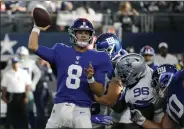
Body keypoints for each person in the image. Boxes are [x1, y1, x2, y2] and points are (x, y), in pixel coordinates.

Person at [28, 18, 113, 128]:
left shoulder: (99, 57)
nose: (83, 35)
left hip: (81, 110)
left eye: (86, 33)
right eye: (80, 32)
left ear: (91, 35)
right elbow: (33, 46)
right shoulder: (61, 50)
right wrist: (36, 28)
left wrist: (90, 78)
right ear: (73, 33)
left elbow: (100, 92)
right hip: (60, 108)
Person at [95, 53, 155, 129]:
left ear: (133, 75)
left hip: (149, 110)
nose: (119, 79)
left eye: (122, 76)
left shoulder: (139, 94)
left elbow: (122, 110)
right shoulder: (140, 66)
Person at [91, 33, 127, 129]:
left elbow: (114, 103)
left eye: (100, 52)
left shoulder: (124, 66)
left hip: (126, 115)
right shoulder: (115, 62)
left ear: (112, 50)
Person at [1, 57, 31, 129]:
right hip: (11, 96)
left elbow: (28, 85)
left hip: (21, 96)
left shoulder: (24, 73)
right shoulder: (7, 74)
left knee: (24, 114)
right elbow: (4, 87)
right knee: (10, 115)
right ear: (11, 64)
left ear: (18, 63)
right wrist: (4, 96)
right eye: (13, 63)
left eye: (16, 63)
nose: (15, 64)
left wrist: (26, 96)